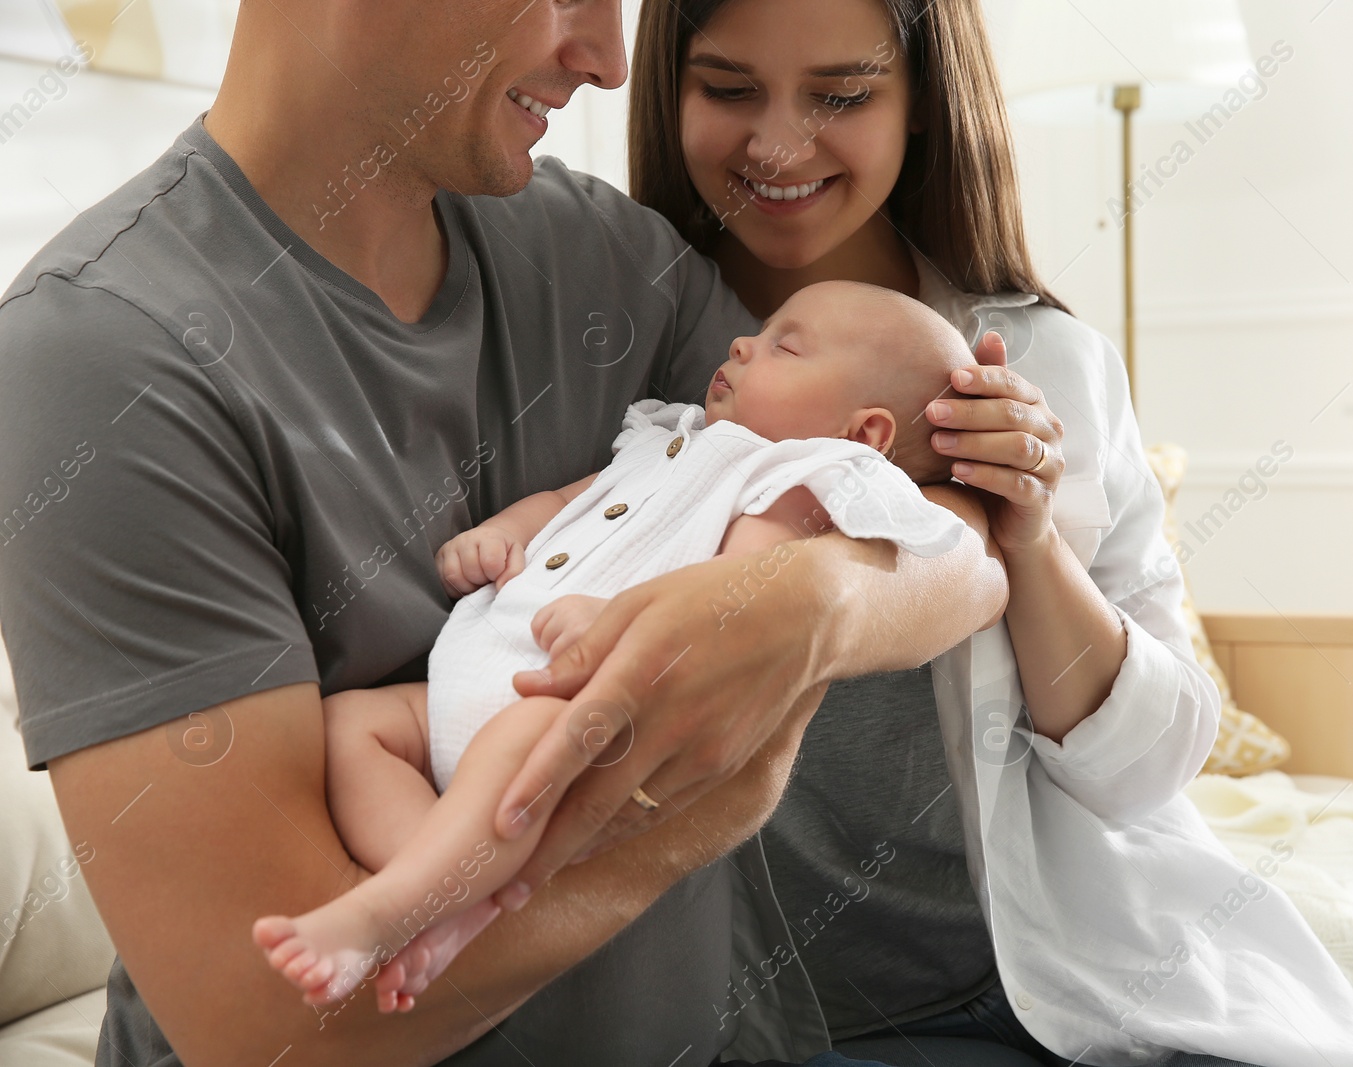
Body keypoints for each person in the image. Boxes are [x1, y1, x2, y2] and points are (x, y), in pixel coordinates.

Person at [0, 2, 1013, 1064]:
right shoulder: (99, 359)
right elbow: (284, 1028)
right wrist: (718, 801)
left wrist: (822, 605)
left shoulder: (604, 256)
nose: (612, 63)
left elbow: (956, 537)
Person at [624, 1, 1353, 1065]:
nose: (780, 144)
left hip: (1052, 985)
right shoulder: (622, 365)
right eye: (728, 88)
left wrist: (1026, 538)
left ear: (924, 102)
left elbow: (1152, 764)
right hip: (762, 1020)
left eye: (841, 94)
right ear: (669, 94)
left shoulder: (1043, 365)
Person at [253, 282, 979, 1011]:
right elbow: (570, 500)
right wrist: (503, 534)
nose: (741, 345)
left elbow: (731, 598)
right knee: (353, 725)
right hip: (478, 666)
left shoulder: (792, 483)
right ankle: (444, 893)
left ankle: (379, 915)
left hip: (573, 694)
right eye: (759, 330)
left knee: (516, 757)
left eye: (784, 346)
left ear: (864, 435)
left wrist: (617, 619)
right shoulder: (671, 434)